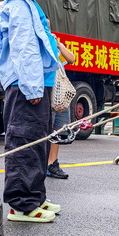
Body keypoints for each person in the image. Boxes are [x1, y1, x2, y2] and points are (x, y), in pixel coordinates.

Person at [0, 0, 61, 223]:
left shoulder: (25, 4)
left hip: (35, 84)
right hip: (27, 86)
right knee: (25, 142)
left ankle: (36, 197)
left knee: (38, 142)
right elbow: (24, 49)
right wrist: (32, 88)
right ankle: (22, 205)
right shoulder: (19, 7)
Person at [46, 39, 76, 180]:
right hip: (46, 91)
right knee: (44, 130)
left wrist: (59, 45)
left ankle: (52, 163)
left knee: (57, 130)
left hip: (59, 94)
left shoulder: (54, 44)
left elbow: (71, 59)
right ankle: (41, 163)